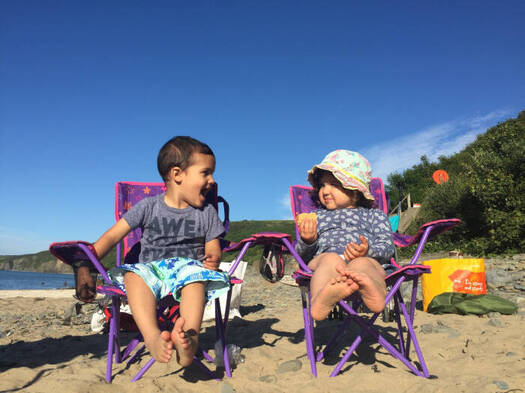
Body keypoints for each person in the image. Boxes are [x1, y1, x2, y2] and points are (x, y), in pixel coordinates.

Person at [75, 136, 230, 367]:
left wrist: (213, 256)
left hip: (189, 270)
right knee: (133, 275)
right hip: (152, 270)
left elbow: (212, 244)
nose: (212, 180)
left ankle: (188, 341)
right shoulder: (148, 207)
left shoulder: (206, 212)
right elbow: (112, 236)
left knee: (196, 283)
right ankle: (152, 337)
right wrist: (86, 262)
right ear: (177, 174)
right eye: (205, 173)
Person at [295, 149, 394, 321]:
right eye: (322, 185)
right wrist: (307, 240)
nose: (325, 191)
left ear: (355, 189)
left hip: (363, 260)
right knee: (329, 260)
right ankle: (321, 300)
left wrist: (368, 251)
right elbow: (302, 256)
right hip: (326, 257)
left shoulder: (374, 215)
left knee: (365, 264)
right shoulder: (317, 216)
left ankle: (375, 294)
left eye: (334, 184)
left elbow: (387, 247)